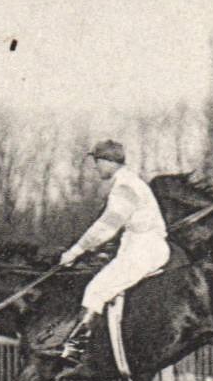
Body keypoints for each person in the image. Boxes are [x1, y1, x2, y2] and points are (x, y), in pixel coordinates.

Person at [55, 139, 171, 362]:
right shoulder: (130, 183)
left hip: (143, 249)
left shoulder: (125, 187)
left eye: (97, 162)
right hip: (139, 245)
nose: (95, 167)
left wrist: (74, 252)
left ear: (108, 162)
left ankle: (75, 349)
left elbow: (106, 226)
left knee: (95, 290)